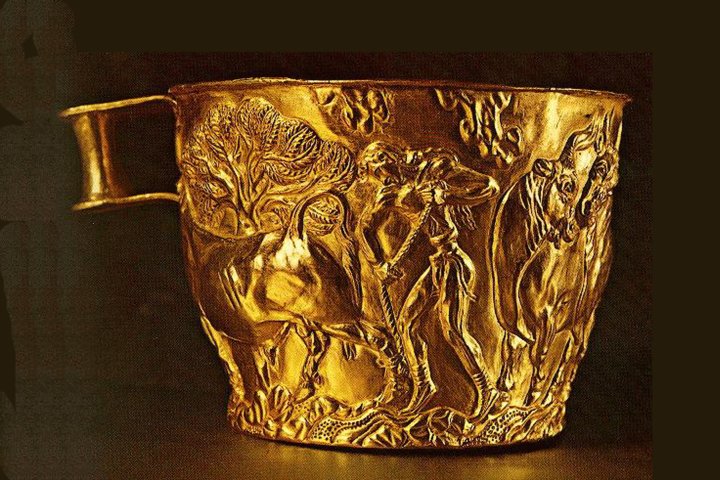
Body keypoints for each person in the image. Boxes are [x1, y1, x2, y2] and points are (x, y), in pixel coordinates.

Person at [358, 141, 505, 418]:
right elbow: (365, 228)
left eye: (379, 165)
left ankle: (488, 390)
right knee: (407, 323)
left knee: (453, 330)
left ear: (391, 157)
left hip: (453, 261)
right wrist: (379, 265)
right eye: (373, 170)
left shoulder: (434, 171)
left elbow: (489, 187)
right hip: (437, 264)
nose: (379, 174)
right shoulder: (390, 193)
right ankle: (424, 385)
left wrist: (446, 193)